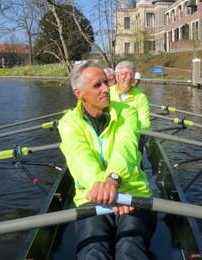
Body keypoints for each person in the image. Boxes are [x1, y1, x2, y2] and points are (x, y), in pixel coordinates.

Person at [58, 61, 156, 259]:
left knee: (130, 247)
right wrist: (105, 192)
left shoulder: (127, 112)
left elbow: (125, 148)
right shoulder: (68, 123)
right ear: (79, 94)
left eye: (105, 82)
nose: (106, 89)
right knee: (93, 250)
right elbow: (80, 159)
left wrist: (113, 180)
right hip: (92, 196)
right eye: (97, 86)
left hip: (132, 194)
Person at [110, 61, 150, 130]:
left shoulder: (141, 97)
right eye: (125, 74)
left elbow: (145, 124)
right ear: (117, 76)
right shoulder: (107, 92)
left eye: (132, 74)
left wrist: (124, 127)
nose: (129, 77)